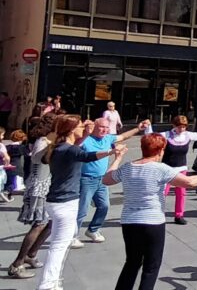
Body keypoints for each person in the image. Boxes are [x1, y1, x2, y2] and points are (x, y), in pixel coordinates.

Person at [103, 133, 197, 290]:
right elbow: (189, 182)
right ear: (160, 150)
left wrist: (117, 158)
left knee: (132, 262)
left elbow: (106, 179)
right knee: (151, 265)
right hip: (152, 222)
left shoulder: (128, 167)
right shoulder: (161, 169)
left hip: (129, 221)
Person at [38, 114, 126, 290]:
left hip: (55, 200)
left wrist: (85, 132)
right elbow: (88, 156)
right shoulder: (70, 150)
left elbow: (78, 145)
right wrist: (113, 152)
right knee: (59, 246)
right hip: (65, 202)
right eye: (80, 127)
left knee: (58, 244)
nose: (85, 130)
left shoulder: (60, 147)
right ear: (71, 130)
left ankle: (51, 282)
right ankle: (48, 284)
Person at [73, 118, 150, 248]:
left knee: (104, 206)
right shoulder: (86, 139)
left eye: (107, 127)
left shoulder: (108, 138)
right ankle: (72, 236)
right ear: (94, 127)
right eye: (102, 127)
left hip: (102, 179)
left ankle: (93, 230)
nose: (105, 130)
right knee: (82, 210)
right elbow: (75, 147)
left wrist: (138, 128)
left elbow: (123, 136)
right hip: (86, 179)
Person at [8, 113, 57, 279]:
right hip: (38, 186)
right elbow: (38, 159)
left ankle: (31, 254)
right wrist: (51, 146)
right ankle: (17, 263)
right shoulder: (43, 141)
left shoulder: (51, 140)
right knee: (40, 224)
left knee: (50, 223)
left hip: (46, 184)